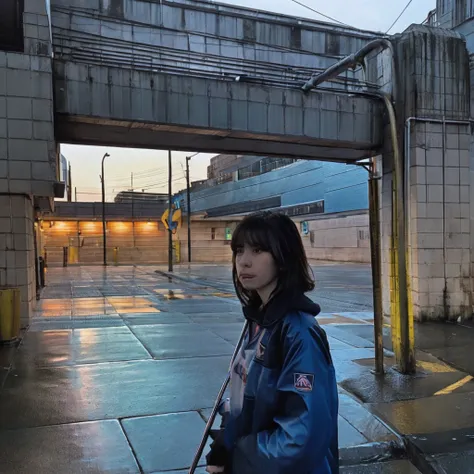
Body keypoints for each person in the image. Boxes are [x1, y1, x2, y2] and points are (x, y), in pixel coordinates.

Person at [205, 211, 339, 474]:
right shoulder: (258, 322)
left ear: (283, 257)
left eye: (257, 250)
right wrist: (227, 438)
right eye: (239, 250)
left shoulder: (299, 332)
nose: (243, 262)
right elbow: (243, 398)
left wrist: (238, 455)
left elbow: (300, 438)